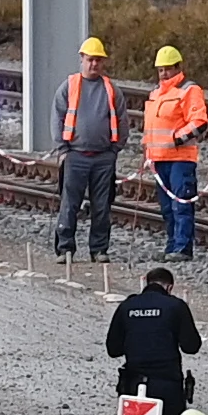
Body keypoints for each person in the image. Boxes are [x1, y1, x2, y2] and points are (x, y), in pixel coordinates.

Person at [52, 37, 129, 260]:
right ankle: (65, 247)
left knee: (102, 206)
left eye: (98, 60)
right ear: (82, 60)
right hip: (75, 154)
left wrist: (115, 149)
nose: (94, 64)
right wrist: (63, 149)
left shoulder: (111, 90)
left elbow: (122, 119)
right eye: (90, 60)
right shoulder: (70, 86)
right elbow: (57, 116)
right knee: (69, 204)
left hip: (104, 156)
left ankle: (99, 249)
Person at [107, 268, 201, 415]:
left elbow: (113, 349)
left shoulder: (127, 306)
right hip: (168, 385)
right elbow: (191, 346)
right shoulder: (175, 306)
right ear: (169, 287)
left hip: (134, 385)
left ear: (146, 283)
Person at [143, 47, 208, 259]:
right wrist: (148, 152)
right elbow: (151, 127)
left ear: (178, 68)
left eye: (167, 69)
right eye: (160, 70)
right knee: (166, 208)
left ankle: (182, 248)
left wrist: (176, 139)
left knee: (181, 204)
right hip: (159, 159)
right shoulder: (155, 94)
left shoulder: (189, 90)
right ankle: (172, 246)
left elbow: (199, 121)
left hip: (181, 159)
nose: (163, 74)